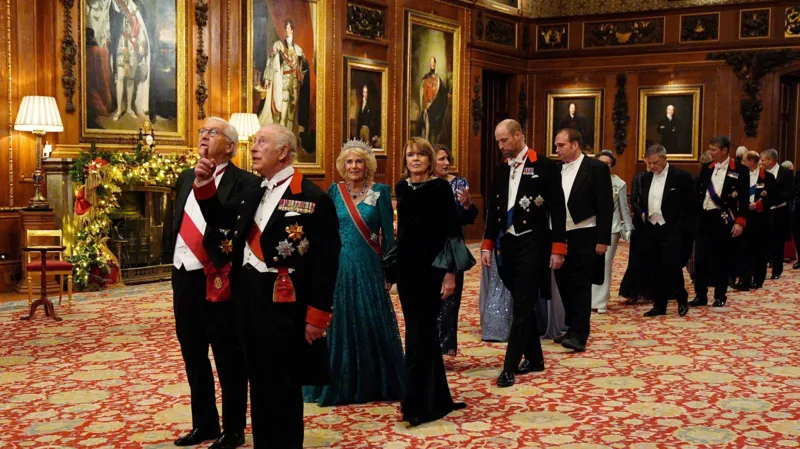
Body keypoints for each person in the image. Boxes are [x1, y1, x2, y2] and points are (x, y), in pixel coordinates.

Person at [193, 123, 341, 448]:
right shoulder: (253, 190)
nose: (254, 147)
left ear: (283, 151)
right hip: (247, 300)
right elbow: (220, 218)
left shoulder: (312, 197)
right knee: (258, 382)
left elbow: (326, 262)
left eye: (262, 141)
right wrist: (204, 185)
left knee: (283, 387)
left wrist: (317, 316)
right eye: (255, 141)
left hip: (285, 303)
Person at [172, 118, 257, 449]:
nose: (204, 136)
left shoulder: (245, 182)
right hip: (183, 275)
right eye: (202, 132)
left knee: (228, 356)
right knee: (193, 353)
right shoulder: (184, 177)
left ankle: (233, 429)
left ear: (230, 146)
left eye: (213, 132)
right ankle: (204, 423)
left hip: (220, 279)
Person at [303, 140, 404, 406]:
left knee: (369, 319)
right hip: (338, 266)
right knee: (339, 319)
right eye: (349, 162)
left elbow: (388, 236)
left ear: (367, 165)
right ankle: (337, 379)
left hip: (369, 266)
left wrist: (389, 272)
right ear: (342, 166)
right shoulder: (334, 192)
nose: (354, 166)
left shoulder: (380, 192)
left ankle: (374, 380)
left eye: (359, 161)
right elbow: (325, 230)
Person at [482, 119, 567, 387]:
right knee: (523, 301)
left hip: (533, 243)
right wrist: (486, 244)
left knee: (521, 305)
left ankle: (508, 367)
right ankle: (535, 358)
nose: (500, 146)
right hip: (506, 245)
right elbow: (494, 210)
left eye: (504, 140)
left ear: (518, 135)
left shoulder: (544, 166)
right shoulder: (501, 169)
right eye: (498, 141)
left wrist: (558, 248)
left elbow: (557, 209)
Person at [393, 137, 468, 426]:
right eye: (410, 154)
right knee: (419, 332)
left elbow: (452, 232)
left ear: (429, 160)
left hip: (434, 269)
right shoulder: (401, 187)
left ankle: (416, 405)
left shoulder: (440, 188)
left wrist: (450, 273)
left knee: (420, 334)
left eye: (420, 155)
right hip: (407, 270)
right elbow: (403, 234)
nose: (414, 159)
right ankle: (439, 398)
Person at [553, 128, 613, 353]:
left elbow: (605, 205)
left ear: (575, 144)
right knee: (563, 283)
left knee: (581, 285)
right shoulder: (556, 169)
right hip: (560, 234)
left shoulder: (596, 168)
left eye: (561, 145)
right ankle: (571, 328)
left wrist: (602, 239)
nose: (557, 150)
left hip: (585, 233)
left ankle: (580, 334)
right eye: (556, 145)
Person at [690, 136, 749, 308]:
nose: (711, 152)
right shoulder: (707, 168)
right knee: (700, 259)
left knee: (721, 259)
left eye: (714, 149)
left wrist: (740, 222)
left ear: (724, 150)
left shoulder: (740, 170)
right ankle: (700, 295)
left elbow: (744, 199)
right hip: (704, 218)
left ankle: (720, 295)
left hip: (723, 219)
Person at [637, 144, 695, 317]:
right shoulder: (646, 177)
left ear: (664, 158)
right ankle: (659, 304)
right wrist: (643, 212)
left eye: (655, 162)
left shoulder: (681, 176)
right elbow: (644, 199)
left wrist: (686, 229)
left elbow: (691, 205)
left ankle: (681, 299)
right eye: (649, 163)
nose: (652, 166)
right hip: (652, 228)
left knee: (671, 266)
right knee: (654, 267)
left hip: (673, 229)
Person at [433, 145, 478, 356]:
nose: (446, 163)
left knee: (449, 302)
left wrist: (467, 205)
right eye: (441, 159)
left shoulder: (459, 183)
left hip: (451, 247)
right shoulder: (421, 183)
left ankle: (443, 348)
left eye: (447, 159)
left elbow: (465, 219)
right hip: (428, 249)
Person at [591, 150, 633, 314]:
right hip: (589, 227)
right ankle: (589, 299)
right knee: (589, 264)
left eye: (607, 164)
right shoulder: (588, 179)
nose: (604, 167)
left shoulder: (618, 183)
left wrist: (628, 227)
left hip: (611, 229)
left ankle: (600, 301)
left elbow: (624, 207)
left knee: (605, 265)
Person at [734, 151, 777, 290]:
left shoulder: (767, 177)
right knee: (743, 248)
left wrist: (758, 205)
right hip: (744, 217)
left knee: (760, 250)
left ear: (751, 162)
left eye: (744, 160)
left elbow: (774, 197)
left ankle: (758, 280)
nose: (742, 163)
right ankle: (744, 280)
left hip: (761, 219)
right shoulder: (740, 175)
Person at [258, 20, 307, 138]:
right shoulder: (279, 45)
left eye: (289, 28)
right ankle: (281, 136)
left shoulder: (298, 49)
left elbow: (303, 68)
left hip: (294, 83)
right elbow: (271, 62)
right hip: (283, 81)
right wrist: (268, 78)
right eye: (286, 28)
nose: (287, 31)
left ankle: (290, 137)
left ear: (292, 30)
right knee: (283, 111)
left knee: (292, 112)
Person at [110, 0, 150, 121]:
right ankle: (119, 109)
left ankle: (128, 108)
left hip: (133, 47)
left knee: (131, 78)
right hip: (122, 45)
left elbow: (140, 29)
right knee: (120, 77)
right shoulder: (116, 5)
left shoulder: (135, 8)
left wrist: (141, 44)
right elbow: (112, 24)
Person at [760, 149, 793, 280]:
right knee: (764, 241)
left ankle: (777, 270)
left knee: (778, 242)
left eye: (763, 160)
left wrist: (774, 198)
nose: (761, 163)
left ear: (771, 160)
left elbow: (789, 192)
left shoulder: (786, 173)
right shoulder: (761, 173)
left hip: (780, 211)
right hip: (764, 211)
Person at [620, 167, 650, 304]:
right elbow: (633, 199)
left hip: (657, 222)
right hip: (641, 222)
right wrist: (641, 213)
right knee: (637, 257)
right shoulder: (640, 176)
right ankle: (634, 292)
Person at [86, 27, 112, 124]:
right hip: (97, 100)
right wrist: (107, 100)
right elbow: (103, 78)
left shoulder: (83, 52)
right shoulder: (100, 52)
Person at [418, 57, 448, 144]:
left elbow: (443, 93)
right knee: (426, 130)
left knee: (433, 132)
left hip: (434, 109)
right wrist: (424, 107)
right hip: (427, 108)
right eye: (431, 62)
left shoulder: (438, 80)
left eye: (433, 63)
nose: (432, 64)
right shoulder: (426, 79)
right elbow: (423, 94)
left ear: (435, 64)